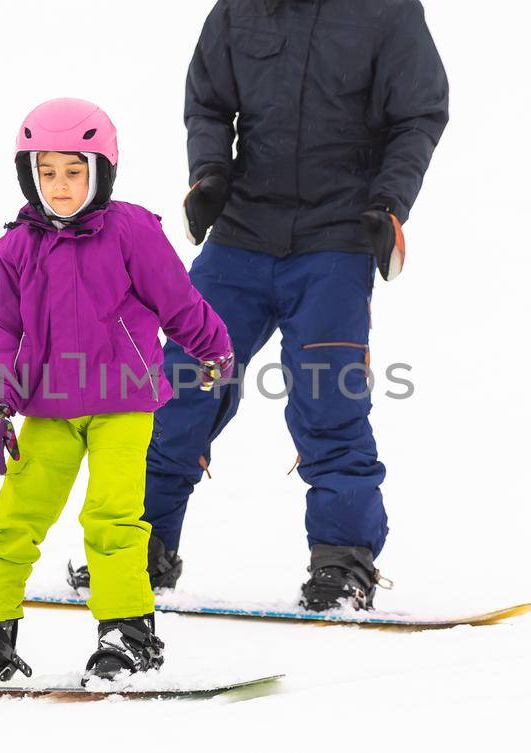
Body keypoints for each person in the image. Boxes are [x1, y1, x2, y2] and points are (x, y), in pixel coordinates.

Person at [143, 0, 450, 611]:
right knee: (176, 387)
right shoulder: (238, 11)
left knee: (329, 401)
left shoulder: (388, 12)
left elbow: (418, 115)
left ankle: (342, 563)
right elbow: (207, 101)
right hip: (239, 236)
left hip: (336, 240)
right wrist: (209, 174)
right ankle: (136, 544)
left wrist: (390, 202)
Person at [0, 98, 234, 685]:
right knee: (15, 517)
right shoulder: (16, 247)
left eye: (74, 171)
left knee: (111, 520)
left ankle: (127, 634)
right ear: (28, 174)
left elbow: (177, 300)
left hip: (124, 403)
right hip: (47, 409)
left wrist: (212, 347)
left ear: (101, 171)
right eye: (47, 172)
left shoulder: (131, 231)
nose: (60, 187)